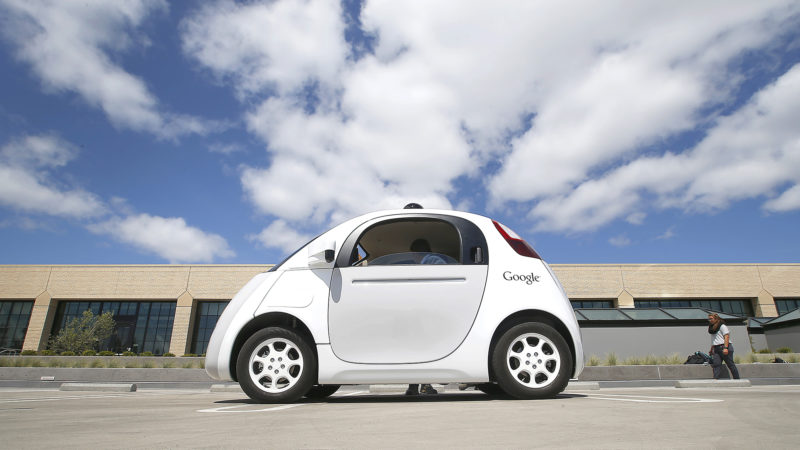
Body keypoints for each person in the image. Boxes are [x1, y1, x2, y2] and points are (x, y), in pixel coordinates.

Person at [405, 238, 441, 396]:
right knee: (422, 348)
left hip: (423, 311)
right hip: (424, 311)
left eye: (413, 254)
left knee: (418, 348)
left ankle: (416, 386)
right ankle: (420, 385)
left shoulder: (431, 260)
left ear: (417, 252)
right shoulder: (428, 262)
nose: (413, 257)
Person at [708, 313, 740, 380]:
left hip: (724, 347)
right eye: (709, 319)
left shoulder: (722, 326)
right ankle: (715, 379)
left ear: (716, 319)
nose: (709, 320)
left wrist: (725, 348)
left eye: (711, 318)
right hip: (716, 348)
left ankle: (737, 379)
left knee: (730, 364)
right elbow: (715, 339)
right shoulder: (712, 328)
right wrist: (711, 349)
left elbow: (726, 336)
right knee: (716, 364)